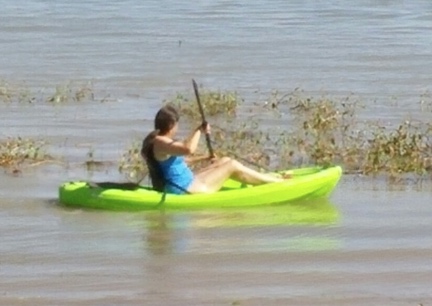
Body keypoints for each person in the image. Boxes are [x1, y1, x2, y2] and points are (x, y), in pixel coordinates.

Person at [141, 105, 285, 194]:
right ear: (172, 125)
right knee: (232, 165)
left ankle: (266, 179)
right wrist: (199, 130)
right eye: (177, 125)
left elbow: (180, 161)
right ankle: (276, 183)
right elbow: (188, 149)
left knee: (225, 160)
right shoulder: (160, 141)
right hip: (184, 190)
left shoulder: (161, 141)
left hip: (188, 181)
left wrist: (204, 158)